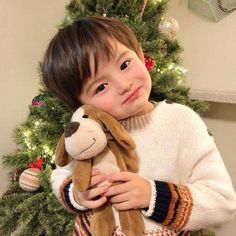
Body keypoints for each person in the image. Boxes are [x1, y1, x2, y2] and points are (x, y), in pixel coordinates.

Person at [42, 16, 236, 235]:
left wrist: (152, 196)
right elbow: (60, 175)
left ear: (141, 56)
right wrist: (77, 195)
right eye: (101, 87)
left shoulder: (182, 122)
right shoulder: (88, 131)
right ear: (80, 105)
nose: (124, 85)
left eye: (125, 64)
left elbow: (222, 201)